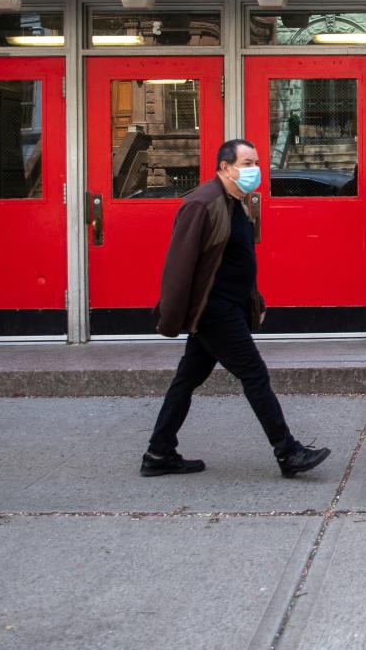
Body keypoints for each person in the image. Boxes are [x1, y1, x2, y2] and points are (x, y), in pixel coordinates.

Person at [143, 138, 331, 479]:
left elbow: (236, 262)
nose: (254, 170)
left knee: (186, 380)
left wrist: (253, 302)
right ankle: (288, 452)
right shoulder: (203, 204)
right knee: (254, 374)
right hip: (214, 311)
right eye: (246, 164)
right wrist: (171, 315)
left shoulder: (234, 203)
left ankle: (159, 452)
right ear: (225, 167)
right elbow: (179, 265)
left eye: (256, 162)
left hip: (226, 306)